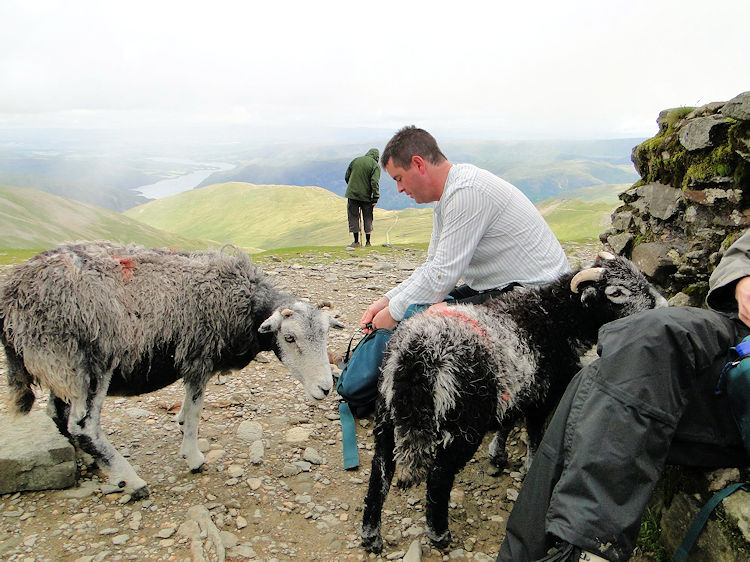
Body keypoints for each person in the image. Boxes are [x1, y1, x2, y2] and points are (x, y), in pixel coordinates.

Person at [497, 229, 750, 562]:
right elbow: (741, 253)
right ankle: (527, 554)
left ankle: (587, 548)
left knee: (599, 382)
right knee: (640, 341)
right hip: (738, 332)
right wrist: (742, 279)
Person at [359, 125, 570, 333]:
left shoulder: (466, 192)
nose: (400, 188)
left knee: (427, 321)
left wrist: (393, 313)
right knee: (418, 311)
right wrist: (386, 301)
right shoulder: (448, 195)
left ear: (418, 164)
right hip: (506, 288)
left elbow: (440, 278)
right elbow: (432, 267)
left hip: (539, 297)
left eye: (399, 178)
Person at [345, 148, 380, 248]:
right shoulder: (375, 165)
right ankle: (368, 242)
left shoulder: (355, 160)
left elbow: (347, 176)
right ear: (377, 157)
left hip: (352, 195)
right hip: (367, 197)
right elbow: (374, 182)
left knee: (353, 216)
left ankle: (356, 242)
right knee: (368, 217)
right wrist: (375, 197)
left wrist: (352, 187)